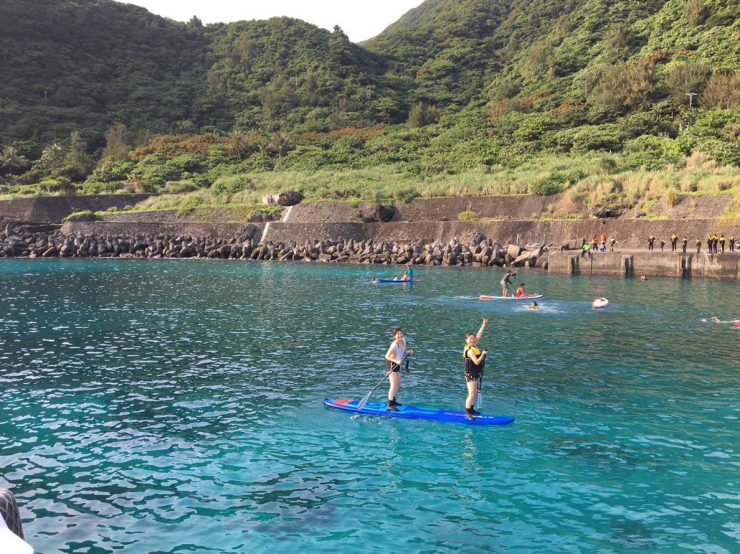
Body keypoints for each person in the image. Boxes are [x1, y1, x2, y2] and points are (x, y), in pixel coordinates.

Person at [463, 319, 488, 420]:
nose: (472, 340)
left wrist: (484, 324)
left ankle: (471, 409)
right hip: (470, 374)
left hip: (475, 373)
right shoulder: (469, 351)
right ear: (466, 340)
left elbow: (479, 335)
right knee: (472, 393)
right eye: (470, 339)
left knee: (475, 392)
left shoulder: (473, 345)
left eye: (473, 339)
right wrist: (483, 354)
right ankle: (468, 413)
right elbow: (477, 362)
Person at [384, 327, 412, 412]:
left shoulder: (403, 340)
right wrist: (396, 360)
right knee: (393, 384)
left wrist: (408, 352)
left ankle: (393, 400)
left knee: (398, 383)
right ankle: (389, 405)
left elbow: (404, 351)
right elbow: (386, 356)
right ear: (394, 336)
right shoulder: (394, 345)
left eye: (401, 333)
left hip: (398, 364)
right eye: (398, 334)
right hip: (392, 365)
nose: (400, 335)